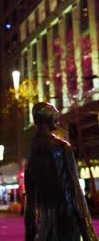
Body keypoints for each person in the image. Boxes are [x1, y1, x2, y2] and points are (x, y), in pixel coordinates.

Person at [25, 102, 98, 241]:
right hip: (67, 221)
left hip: (46, 224)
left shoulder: (32, 150)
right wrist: (89, 234)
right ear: (49, 118)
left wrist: (29, 235)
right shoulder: (63, 147)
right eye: (55, 115)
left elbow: (30, 202)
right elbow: (76, 192)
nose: (58, 120)